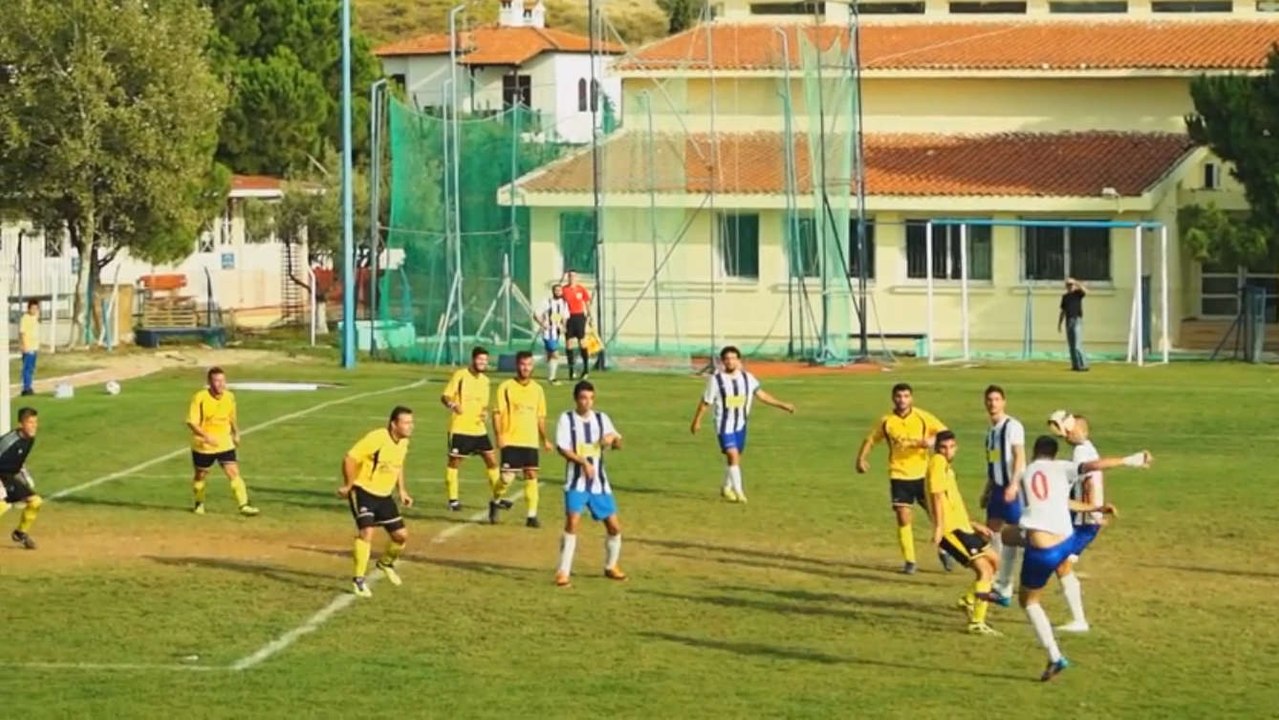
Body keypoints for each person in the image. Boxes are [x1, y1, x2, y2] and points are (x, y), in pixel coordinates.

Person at [1007, 435, 1150, 681]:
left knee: (1029, 601)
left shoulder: (1025, 473)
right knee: (1009, 536)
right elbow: (1091, 470)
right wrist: (1130, 461)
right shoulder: (1063, 468)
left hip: (1042, 550)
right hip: (1065, 542)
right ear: (1054, 453)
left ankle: (1055, 656)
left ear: (1035, 453)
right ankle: (1077, 616)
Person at [856, 383, 948, 574]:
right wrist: (861, 458)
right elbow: (871, 439)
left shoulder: (923, 417)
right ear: (893, 398)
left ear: (911, 398)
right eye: (899, 396)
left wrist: (929, 442)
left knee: (937, 516)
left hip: (923, 475)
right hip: (899, 475)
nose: (902, 400)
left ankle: (945, 549)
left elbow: (945, 434)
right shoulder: (887, 421)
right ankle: (910, 561)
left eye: (906, 396)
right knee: (903, 516)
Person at [689, 345, 795, 503]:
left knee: (735, 458)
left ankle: (726, 487)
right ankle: (739, 492)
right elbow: (706, 402)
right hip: (723, 424)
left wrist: (782, 404)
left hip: (741, 424)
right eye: (727, 359)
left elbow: (762, 395)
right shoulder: (716, 380)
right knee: (732, 454)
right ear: (723, 361)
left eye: (733, 358)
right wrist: (696, 421)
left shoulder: (747, 378)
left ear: (738, 360)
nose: (730, 362)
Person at [926, 430, 1000, 636]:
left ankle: (968, 600)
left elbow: (952, 501)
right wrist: (940, 527)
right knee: (984, 570)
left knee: (994, 561)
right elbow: (937, 496)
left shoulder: (947, 468)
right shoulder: (938, 463)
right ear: (936, 449)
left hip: (963, 526)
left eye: (951, 447)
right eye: (943, 447)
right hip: (952, 530)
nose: (947, 451)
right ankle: (977, 622)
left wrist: (972, 523)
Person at [554, 380, 625, 587]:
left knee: (614, 527)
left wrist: (613, 440)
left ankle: (611, 566)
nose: (587, 402)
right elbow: (562, 448)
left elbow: (619, 443)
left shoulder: (602, 419)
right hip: (575, 482)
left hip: (599, 483)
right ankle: (563, 571)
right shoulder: (566, 419)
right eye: (583, 398)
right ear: (576, 399)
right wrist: (583, 461)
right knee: (572, 522)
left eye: (591, 398)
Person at [339, 406, 415, 598]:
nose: (410, 426)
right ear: (393, 425)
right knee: (367, 532)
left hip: (384, 496)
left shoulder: (403, 443)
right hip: (363, 491)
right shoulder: (377, 438)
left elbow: (398, 466)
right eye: (406, 423)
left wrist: (402, 490)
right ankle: (359, 580)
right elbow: (349, 458)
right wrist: (348, 485)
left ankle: (385, 563)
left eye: (411, 422)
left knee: (401, 536)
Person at [1049, 410, 1103, 633]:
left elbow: (1088, 481)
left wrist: (1091, 509)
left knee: (1062, 564)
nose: (1064, 437)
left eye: (1067, 432)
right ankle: (1077, 618)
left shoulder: (1081, 452)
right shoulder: (1087, 449)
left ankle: (1079, 620)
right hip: (1083, 518)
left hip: (1084, 520)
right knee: (1061, 562)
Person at [187, 367, 259, 516]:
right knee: (200, 475)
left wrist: (236, 433)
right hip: (204, 445)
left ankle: (243, 505)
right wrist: (206, 437)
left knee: (233, 472)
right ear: (209, 382)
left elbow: (231, 417)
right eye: (216, 381)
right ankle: (199, 503)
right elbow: (191, 423)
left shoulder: (230, 397)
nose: (220, 384)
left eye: (222, 381)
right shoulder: (199, 398)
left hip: (224, 442)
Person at [440, 346, 503, 513]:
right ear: (473, 359)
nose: (483, 363)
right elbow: (445, 396)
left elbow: (484, 405)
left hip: (478, 429)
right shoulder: (460, 375)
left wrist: (485, 414)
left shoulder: (485, 381)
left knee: (491, 460)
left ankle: (498, 497)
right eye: (480, 359)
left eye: (485, 361)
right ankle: (453, 500)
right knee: (454, 462)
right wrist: (453, 404)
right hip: (460, 427)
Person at [492, 351, 551, 528]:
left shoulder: (538, 389)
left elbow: (540, 417)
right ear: (517, 365)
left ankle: (531, 516)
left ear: (532, 366)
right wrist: (499, 435)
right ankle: (495, 500)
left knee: (531, 475)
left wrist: (545, 439)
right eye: (523, 364)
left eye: (529, 364)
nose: (526, 368)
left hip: (530, 441)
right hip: (511, 440)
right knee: (507, 478)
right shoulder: (506, 387)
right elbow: (497, 414)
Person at [981, 385, 1026, 605]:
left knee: (1020, 535)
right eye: (989, 399)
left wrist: (1014, 484)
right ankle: (998, 579)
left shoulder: (1012, 426)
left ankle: (1026, 576)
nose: (993, 403)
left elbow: (1019, 456)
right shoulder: (991, 432)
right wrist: (987, 490)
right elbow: (994, 462)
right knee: (990, 532)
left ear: (1004, 402)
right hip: (997, 490)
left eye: (997, 399)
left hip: (1011, 489)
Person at [0, 407, 42, 549]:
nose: (34, 425)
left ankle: (20, 533)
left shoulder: (30, 438)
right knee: (2, 505)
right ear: (20, 424)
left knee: (35, 502)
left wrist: (25, 475)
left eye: (35, 422)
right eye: (30, 422)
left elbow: (20, 460)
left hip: (9, 476)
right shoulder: (8, 442)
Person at [561, 270, 593, 380]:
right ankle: (571, 370)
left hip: (579, 317)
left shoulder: (581, 289)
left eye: (573, 276)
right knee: (569, 344)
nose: (572, 278)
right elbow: (559, 305)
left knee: (582, 343)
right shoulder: (564, 290)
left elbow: (587, 303)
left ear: (577, 277)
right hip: (568, 317)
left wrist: (589, 316)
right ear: (567, 277)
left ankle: (586, 369)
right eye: (570, 276)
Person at [538, 285, 570, 384]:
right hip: (548, 333)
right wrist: (542, 324)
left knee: (550, 355)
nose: (558, 292)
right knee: (555, 354)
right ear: (553, 291)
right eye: (556, 290)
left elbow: (565, 316)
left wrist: (563, 326)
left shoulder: (564, 303)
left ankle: (550, 377)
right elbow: (536, 314)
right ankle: (552, 378)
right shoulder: (547, 302)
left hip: (556, 333)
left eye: (559, 290)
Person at [1058, 278, 1088, 371]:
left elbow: (1086, 291)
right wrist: (1059, 323)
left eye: (1071, 285)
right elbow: (1063, 311)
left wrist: (1076, 282)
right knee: (1071, 345)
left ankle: (1082, 364)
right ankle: (1075, 365)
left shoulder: (1078, 294)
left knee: (1076, 344)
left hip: (1076, 320)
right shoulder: (1065, 297)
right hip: (1069, 321)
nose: (1070, 286)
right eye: (1068, 285)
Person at [19, 300, 39, 396]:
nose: (34, 310)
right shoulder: (25, 318)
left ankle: (29, 386)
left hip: (34, 347)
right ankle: (26, 388)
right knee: (27, 368)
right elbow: (22, 333)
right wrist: (24, 346)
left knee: (31, 368)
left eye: (36, 308)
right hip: (28, 347)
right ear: (29, 308)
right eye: (33, 308)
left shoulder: (35, 318)